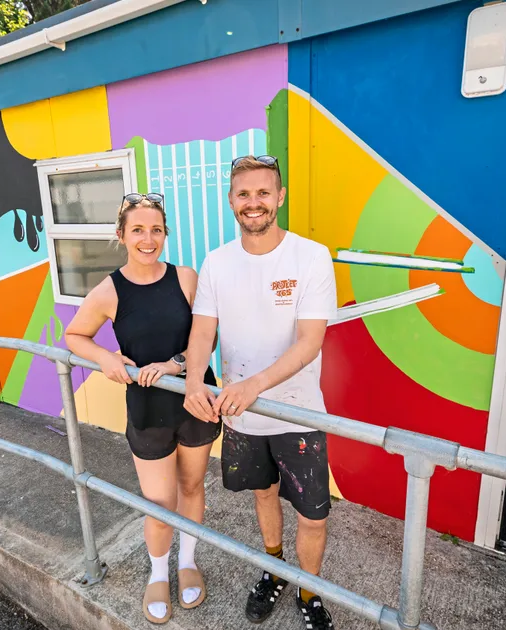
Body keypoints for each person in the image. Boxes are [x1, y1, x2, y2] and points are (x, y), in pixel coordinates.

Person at [183, 155, 338, 629]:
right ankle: (274, 569)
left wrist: (254, 385)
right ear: (232, 201)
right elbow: (202, 331)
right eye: (244, 194)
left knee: (313, 516)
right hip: (242, 417)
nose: (254, 203)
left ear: (280, 197)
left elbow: (310, 342)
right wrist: (193, 380)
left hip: (299, 414)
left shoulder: (311, 256)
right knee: (264, 495)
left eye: (263, 193)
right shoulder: (217, 262)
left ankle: (309, 590)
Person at [64, 192, 220, 625]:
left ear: (165, 234)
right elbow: (74, 335)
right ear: (121, 235)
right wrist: (106, 358)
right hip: (148, 410)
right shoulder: (109, 291)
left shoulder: (186, 278)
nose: (147, 239)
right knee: (160, 500)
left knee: (192, 487)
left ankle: (187, 562)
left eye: (156, 230)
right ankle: (158, 573)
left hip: (196, 399)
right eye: (137, 230)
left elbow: (209, 335)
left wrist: (176, 364)